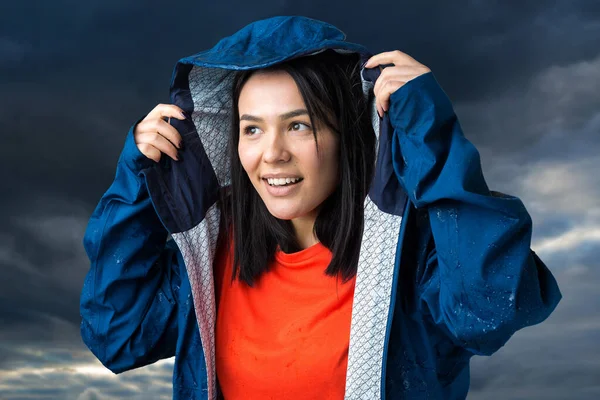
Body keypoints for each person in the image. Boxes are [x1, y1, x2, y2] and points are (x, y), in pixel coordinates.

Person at [80, 16, 562, 400]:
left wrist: (433, 140)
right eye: (252, 129)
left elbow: (490, 312)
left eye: (300, 125)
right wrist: (139, 183)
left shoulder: (412, 256)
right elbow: (117, 336)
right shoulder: (209, 257)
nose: (272, 154)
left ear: (346, 135)